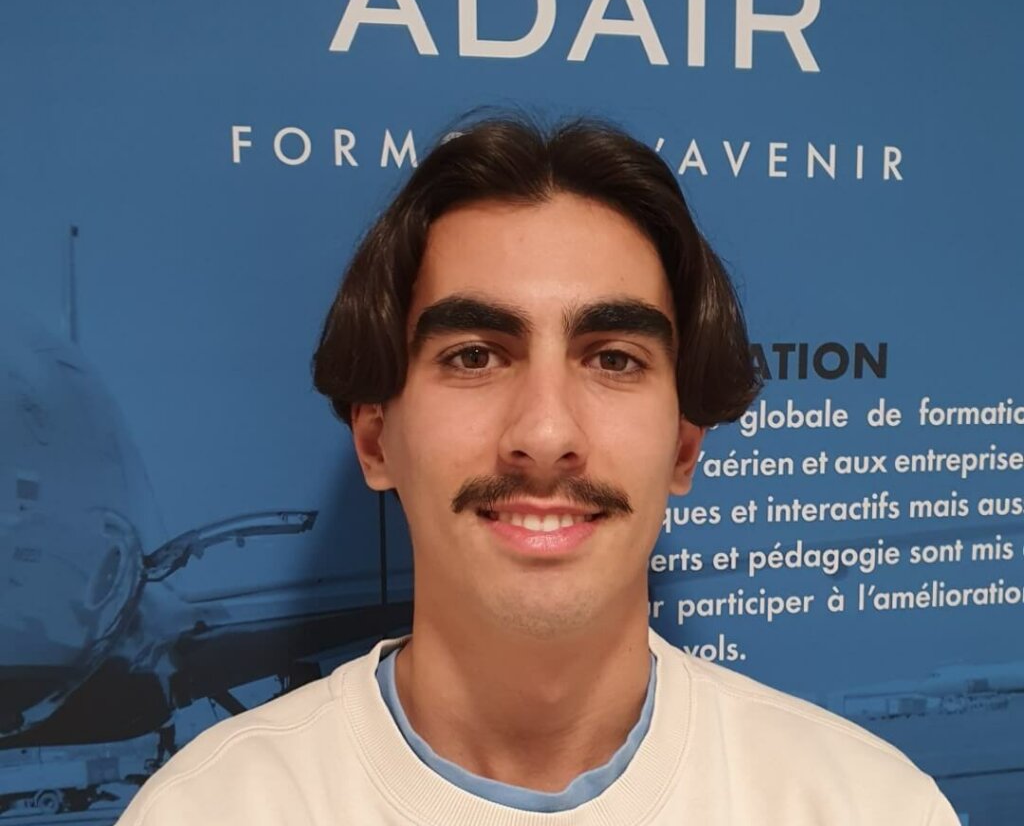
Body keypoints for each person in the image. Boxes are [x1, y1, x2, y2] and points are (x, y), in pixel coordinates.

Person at [118, 116, 958, 825]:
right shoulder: (209, 811)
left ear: (683, 447)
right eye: (475, 355)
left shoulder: (869, 806)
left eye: (615, 359)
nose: (547, 433)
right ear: (375, 441)